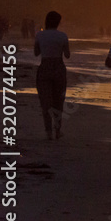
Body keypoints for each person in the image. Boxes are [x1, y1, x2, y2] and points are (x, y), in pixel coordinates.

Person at [34, 11, 70, 140]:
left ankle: (48, 131)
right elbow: (67, 55)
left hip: (45, 67)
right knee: (59, 101)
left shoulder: (40, 35)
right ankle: (57, 130)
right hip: (59, 68)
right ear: (58, 22)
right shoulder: (62, 36)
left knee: (45, 102)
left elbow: (36, 53)